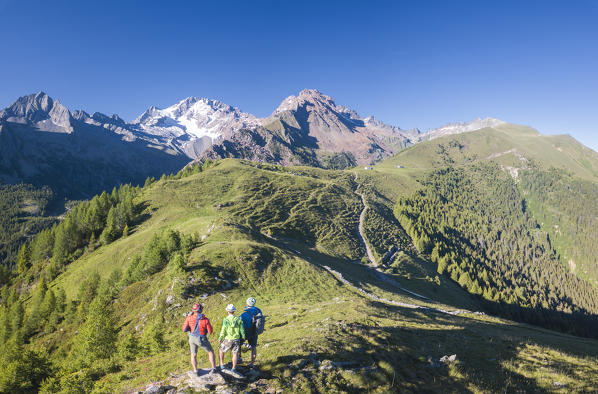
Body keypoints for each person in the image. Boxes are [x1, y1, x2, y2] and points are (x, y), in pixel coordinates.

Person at [182, 303, 216, 374]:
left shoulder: (189, 318)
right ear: (200, 310)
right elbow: (210, 331)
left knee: (193, 354)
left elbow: (184, 329)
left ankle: (195, 371)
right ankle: (214, 368)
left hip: (191, 338)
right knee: (210, 351)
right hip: (201, 338)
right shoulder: (205, 319)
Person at [218, 303, 245, 375]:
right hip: (236, 339)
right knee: (235, 354)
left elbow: (223, 329)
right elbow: (242, 329)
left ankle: (221, 364)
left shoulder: (226, 320)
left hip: (228, 339)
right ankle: (233, 368)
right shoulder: (238, 319)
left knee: (221, 350)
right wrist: (243, 336)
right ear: (234, 311)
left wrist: (221, 337)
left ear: (227, 311)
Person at [240, 296, 263, 368]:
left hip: (246, 331)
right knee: (253, 347)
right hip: (255, 331)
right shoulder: (258, 311)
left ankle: (239, 359)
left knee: (238, 344)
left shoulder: (243, 315)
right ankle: (252, 363)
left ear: (247, 303)